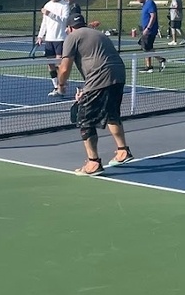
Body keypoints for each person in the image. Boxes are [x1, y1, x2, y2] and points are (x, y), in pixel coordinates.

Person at [56, 11, 133, 176]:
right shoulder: (98, 34)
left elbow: (64, 67)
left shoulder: (72, 37)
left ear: (69, 28)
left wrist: (60, 85)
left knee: (85, 119)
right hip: (119, 74)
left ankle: (93, 162)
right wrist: (86, 89)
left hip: (101, 77)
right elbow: (99, 60)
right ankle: (123, 151)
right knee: (112, 114)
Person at [37, 0, 70, 96]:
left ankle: (63, 85)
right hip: (49, 39)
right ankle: (56, 87)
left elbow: (64, 20)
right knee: (50, 64)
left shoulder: (64, 5)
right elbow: (44, 23)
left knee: (60, 64)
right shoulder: (47, 5)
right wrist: (40, 36)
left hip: (60, 38)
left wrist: (50, 14)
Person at [135, 0, 165, 72]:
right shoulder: (145, 5)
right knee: (147, 47)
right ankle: (153, 64)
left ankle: (154, 63)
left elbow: (153, 16)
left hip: (150, 30)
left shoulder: (150, 3)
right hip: (145, 29)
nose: (137, 0)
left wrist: (148, 28)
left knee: (146, 47)